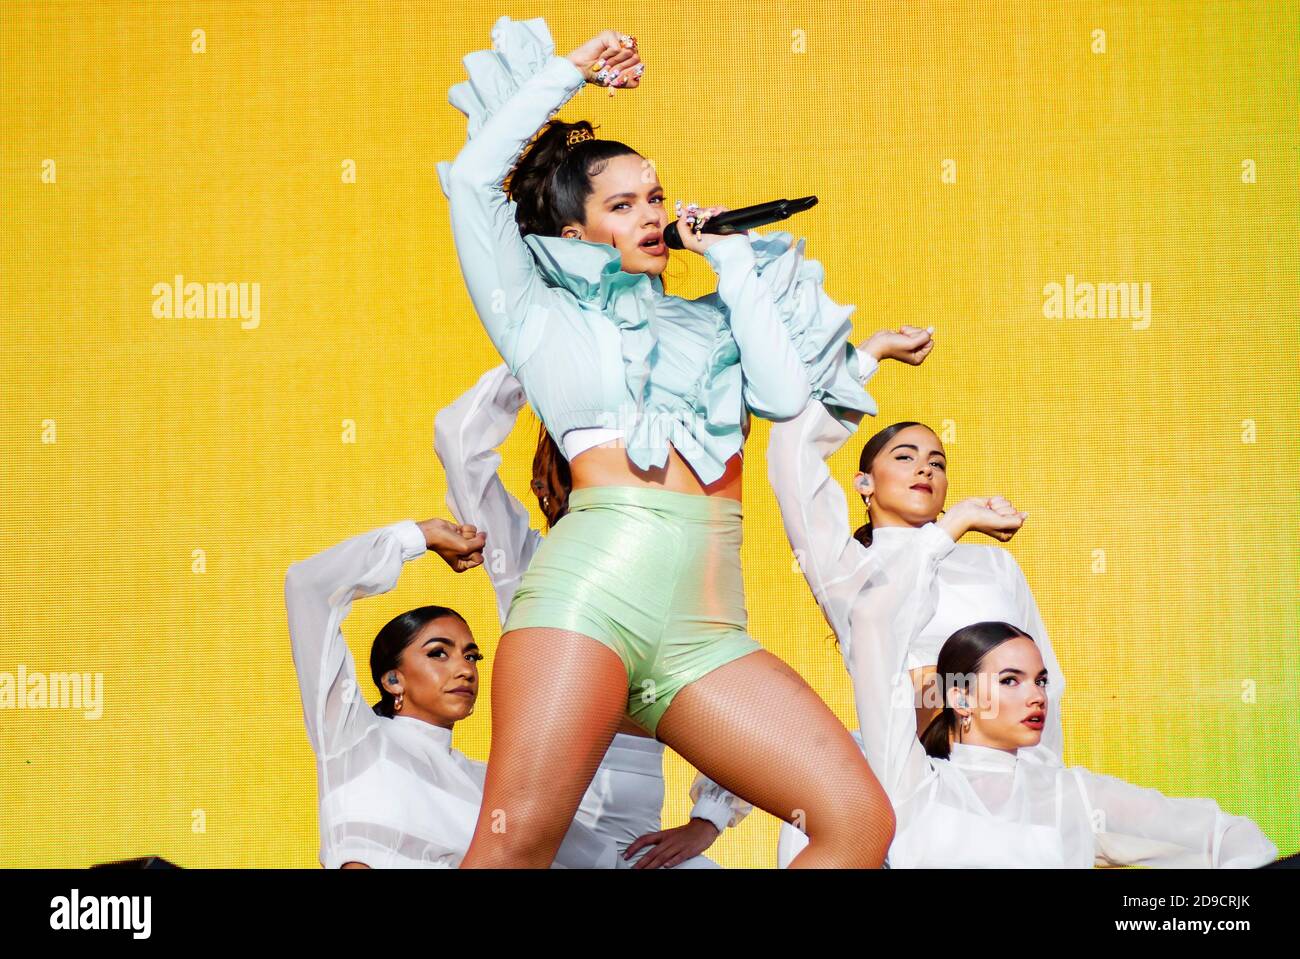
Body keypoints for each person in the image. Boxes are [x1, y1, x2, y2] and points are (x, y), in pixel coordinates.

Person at [439, 15, 892, 867]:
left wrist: (733, 264)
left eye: (655, 197)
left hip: (707, 629)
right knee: (513, 847)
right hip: (590, 599)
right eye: (623, 203)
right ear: (573, 233)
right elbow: (471, 183)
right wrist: (569, 72)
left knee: (857, 822)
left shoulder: (711, 320)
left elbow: (785, 393)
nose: (651, 214)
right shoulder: (539, 318)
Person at [766, 364, 1279, 867]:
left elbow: (1042, 673)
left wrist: (1038, 785)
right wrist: (868, 356)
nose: (926, 469)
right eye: (905, 457)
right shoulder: (851, 569)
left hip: (1002, 764)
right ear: (863, 483)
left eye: (938, 462)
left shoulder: (989, 560)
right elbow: (797, 469)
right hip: (900, 762)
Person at [435, 363, 755, 868]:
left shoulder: (686, 574)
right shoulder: (531, 563)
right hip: (539, 843)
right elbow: (458, 439)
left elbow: (746, 699)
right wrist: (553, 357)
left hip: (632, 849)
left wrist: (708, 821)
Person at [284, 517, 618, 868]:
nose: (465, 669)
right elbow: (307, 588)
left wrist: (685, 829)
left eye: (471, 656)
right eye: (438, 653)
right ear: (393, 680)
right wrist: (420, 537)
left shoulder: (489, 784)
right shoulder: (354, 740)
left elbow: (602, 859)